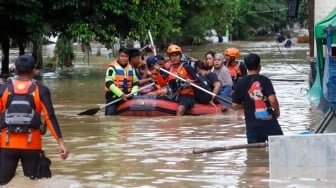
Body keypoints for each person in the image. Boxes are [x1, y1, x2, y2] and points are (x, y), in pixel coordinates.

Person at [0, 54, 69, 184]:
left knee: (2, 183)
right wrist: (61, 143)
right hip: (32, 145)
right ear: (34, 70)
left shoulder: (3, 89)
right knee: (35, 183)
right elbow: (49, 117)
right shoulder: (41, 90)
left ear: (15, 70)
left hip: (6, 144)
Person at [232, 53, 283, 144]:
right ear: (260, 66)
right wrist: (277, 110)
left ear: (246, 66)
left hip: (252, 126)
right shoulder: (265, 80)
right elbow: (272, 100)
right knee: (279, 148)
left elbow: (235, 105)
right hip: (269, 123)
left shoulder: (240, 83)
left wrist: (246, 106)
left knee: (254, 154)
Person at [154, 44, 198, 116]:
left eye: (176, 55)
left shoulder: (187, 67)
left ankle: (177, 125)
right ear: (170, 57)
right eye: (172, 56)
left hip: (187, 95)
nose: (175, 58)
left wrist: (191, 81)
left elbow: (198, 80)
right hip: (174, 95)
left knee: (180, 109)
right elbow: (163, 85)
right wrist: (158, 73)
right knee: (160, 98)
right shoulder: (169, 70)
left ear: (180, 56)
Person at [105, 48, 139, 115]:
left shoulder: (131, 68)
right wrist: (121, 94)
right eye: (122, 56)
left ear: (128, 57)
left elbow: (135, 83)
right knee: (109, 117)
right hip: (114, 98)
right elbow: (108, 83)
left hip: (128, 96)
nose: (124, 58)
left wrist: (133, 94)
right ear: (118, 56)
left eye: (126, 57)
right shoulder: (112, 68)